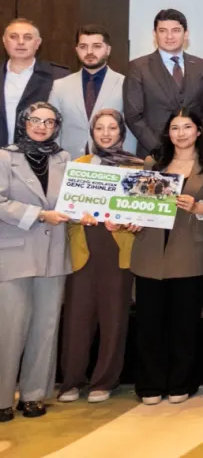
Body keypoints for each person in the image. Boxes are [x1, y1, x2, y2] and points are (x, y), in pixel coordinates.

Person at [130, 108, 203, 405]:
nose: (181, 133)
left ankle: (182, 382)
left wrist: (198, 207)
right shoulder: (152, 163)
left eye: (187, 127)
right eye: (175, 128)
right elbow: (137, 206)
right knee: (150, 323)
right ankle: (150, 385)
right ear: (167, 133)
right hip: (150, 251)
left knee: (185, 324)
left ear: (198, 131)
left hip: (189, 251)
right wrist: (132, 220)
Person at [0, 103, 80, 421]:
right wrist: (40, 215)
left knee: (45, 327)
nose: (41, 126)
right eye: (35, 120)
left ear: (56, 126)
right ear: (24, 122)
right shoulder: (5, 157)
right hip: (15, 253)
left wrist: (89, 213)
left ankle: (33, 395)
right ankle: (2, 398)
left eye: (49, 122)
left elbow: (74, 202)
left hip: (54, 254)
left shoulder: (64, 159)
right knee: (9, 328)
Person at [57, 109, 140, 405]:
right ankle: (71, 381)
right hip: (83, 250)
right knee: (76, 319)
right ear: (92, 132)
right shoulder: (78, 165)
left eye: (112, 127)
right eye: (100, 128)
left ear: (122, 132)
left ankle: (104, 381)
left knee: (114, 319)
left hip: (118, 251)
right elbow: (64, 209)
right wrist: (77, 214)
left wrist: (133, 221)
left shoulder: (136, 167)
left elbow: (144, 214)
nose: (106, 133)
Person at [123, 9, 203, 157]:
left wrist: (199, 147)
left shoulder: (201, 66)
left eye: (176, 30)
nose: (169, 36)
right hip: (154, 155)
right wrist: (161, 150)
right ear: (154, 34)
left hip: (195, 156)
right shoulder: (138, 67)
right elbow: (133, 116)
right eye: (163, 31)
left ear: (186, 34)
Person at [48, 24, 136, 158]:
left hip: (112, 162)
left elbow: (130, 130)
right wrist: (55, 161)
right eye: (83, 47)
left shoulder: (125, 84)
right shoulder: (60, 86)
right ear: (77, 50)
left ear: (108, 50)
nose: (89, 52)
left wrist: (127, 160)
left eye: (97, 46)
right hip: (70, 162)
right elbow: (53, 127)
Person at [1, 19, 69, 147]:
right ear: (4, 41)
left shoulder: (59, 77)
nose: (20, 42)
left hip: (40, 155)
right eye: (14, 37)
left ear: (37, 43)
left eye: (27, 37)